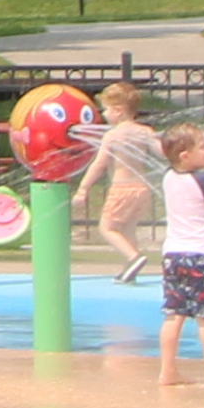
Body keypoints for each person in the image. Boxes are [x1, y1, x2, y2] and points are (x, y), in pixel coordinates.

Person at [153, 126, 204, 387]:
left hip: (173, 256)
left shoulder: (167, 176)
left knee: (173, 314)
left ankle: (167, 371)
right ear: (185, 155)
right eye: (202, 146)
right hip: (201, 256)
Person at [85, 83, 168, 273]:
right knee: (128, 229)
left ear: (118, 111)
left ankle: (134, 257)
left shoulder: (113, 135)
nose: (104, 114)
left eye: (106, 109)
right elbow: (162, 152)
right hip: (141, 189)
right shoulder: (145, 131)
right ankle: (129, 269)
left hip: (121, 189)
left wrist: (83, 188)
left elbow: (99, 164)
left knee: (107, 228)